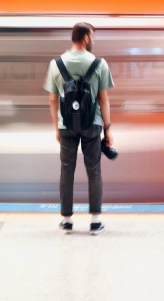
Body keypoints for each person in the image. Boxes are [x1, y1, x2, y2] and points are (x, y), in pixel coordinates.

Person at [44, 22, 115, 235]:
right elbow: (104, 99)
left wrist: (57, 127)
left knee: (67, 171)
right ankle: (95, 222)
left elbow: (52, 99)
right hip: (92, 125)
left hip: (66, 125)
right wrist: (108, 129)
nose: (93, 40)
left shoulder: (56, 64)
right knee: (94, 171)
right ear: (85, 38)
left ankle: (67, 221)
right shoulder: (99, 64)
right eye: (92, 36)